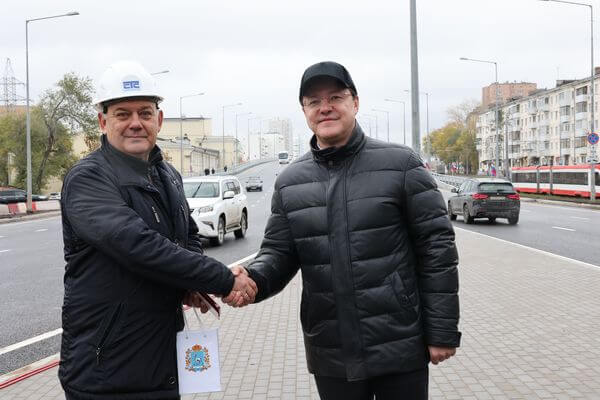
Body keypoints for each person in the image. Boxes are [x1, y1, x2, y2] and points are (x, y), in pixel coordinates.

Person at [226, 61, 460, 400]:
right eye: (314, 101)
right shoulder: (290, 182)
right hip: (331, 350)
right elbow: (277, 254)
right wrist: (250, 280)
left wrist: (442, 330)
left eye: (335, 97)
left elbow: (437, 249)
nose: (325, 107)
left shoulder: (401, 165)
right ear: (304, 111)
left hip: (399, 344)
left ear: (355, 102)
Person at [58, 60, 256, 400]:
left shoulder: (168, 175)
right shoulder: (88, 179)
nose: (136, 123)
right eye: (123, 114)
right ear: (103, 122)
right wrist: (224, 280)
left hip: (162, 363)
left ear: (159, 120)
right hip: (106, 374)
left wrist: (190, 283)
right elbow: (139, 246)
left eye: (145, 113)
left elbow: (187, 237)